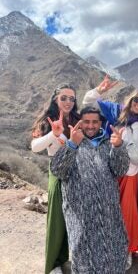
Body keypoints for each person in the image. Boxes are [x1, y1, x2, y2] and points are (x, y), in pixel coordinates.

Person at [50, 106, 130, 274]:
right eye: (86, 122)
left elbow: (120, 169)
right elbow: (57, 170)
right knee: (84, 259)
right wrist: (72, 144)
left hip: (109, 215)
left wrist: (118, 147)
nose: (91, 126)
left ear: (101, 123)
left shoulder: (108, 143)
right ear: (80, 122)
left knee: (113, 256)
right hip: (81, 217)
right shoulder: (72, 142)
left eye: (95, 122)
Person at [82, 76, 138, 270]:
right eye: (137, 99)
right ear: (132, 97)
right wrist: (99, 89)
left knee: (125, 214)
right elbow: (88, 102)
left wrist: (123, 142)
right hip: (109, 170)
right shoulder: (115, 111)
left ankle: (126, 250)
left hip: (128, 174)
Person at [31, 83, 80, 274]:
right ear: (55, 99)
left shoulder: (77, 119)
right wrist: (54, 134)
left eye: (72, 98)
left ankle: (68, 258)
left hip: (77, 172)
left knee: (75, 218)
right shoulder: (48, 120)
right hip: (58, 173)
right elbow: (35, 147)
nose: (68, 102)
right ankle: (53, 265)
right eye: (64, 98)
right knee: (57, 219)